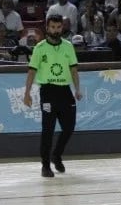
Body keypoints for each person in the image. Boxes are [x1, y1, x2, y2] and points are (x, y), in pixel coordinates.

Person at [22, 14, 82, 178]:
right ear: (47, 28)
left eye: (58, 27)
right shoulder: (40, 48)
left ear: (62, 28)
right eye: (53, 27)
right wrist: (27, 94)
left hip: (65, 90)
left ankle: (57, 154)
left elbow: (74, 69)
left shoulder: (68, 46)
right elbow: (32, 71)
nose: (56, 30)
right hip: (48, 91)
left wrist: (77, 89)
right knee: (47, 129)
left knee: (69, 127)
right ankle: (45, 165)